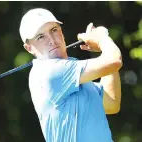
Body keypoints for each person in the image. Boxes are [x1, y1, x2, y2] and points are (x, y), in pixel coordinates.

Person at [19, 8, 122, 142]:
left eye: (54, 30)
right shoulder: (49, 72)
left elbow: (111, 104)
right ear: (29, 48)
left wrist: (104, 50)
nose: (52, 40)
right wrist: (102, 38)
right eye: (40, 37)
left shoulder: (74, 75)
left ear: (62, 32)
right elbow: (114, 61)